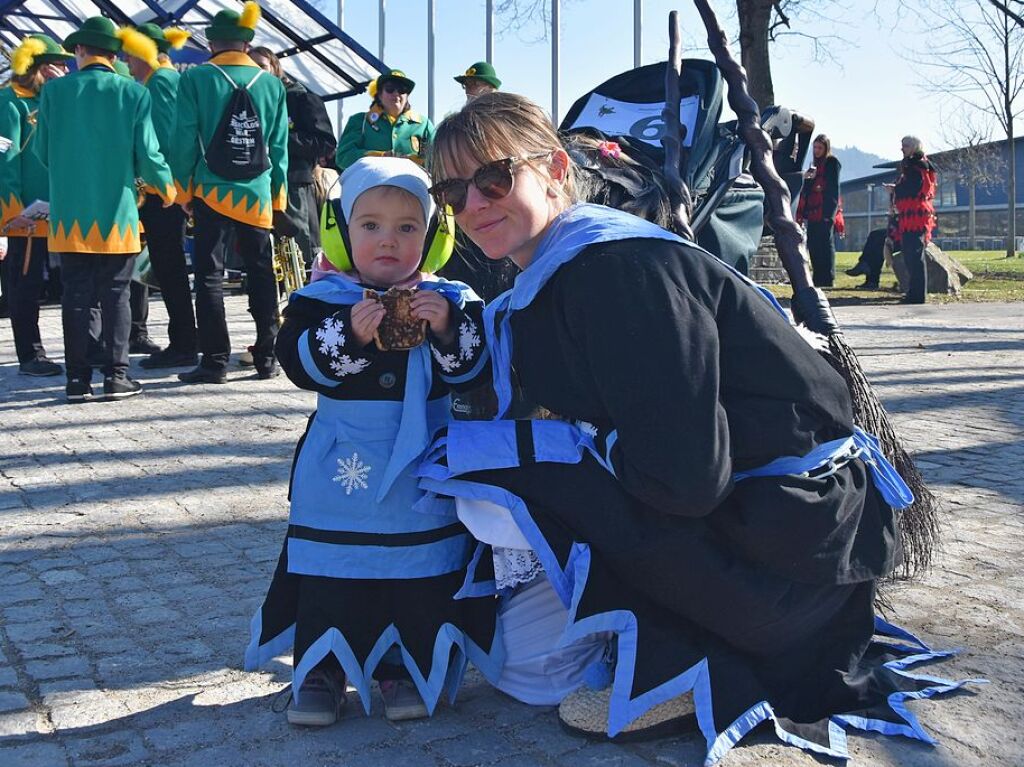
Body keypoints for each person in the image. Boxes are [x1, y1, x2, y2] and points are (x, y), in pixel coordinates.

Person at [420, 92, 971, 761]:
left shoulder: (615, 273)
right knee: (525, 667)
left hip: (783, 564)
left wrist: (558, 448)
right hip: (772, 537)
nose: (474, 205)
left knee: (495, 467)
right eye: (453, 191)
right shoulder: (560, 271)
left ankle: (685, 661)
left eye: (494, 178)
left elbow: (685, 476)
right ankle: (645, 631)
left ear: (556, 167)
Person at [245, 157, 500, 727]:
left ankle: (404, 664)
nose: (389, 240)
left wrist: (446, 330)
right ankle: (321, 668)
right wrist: (349, 334)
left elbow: (472, 371)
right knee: (336, 572)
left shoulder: (452, 299)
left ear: (433, 236)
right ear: (340, 230)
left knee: (416, 572)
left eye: (408, 227)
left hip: (421, 472)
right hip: (341, 472)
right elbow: (300, 365)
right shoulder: (322, 300)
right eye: (370, 226)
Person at [35, 17, 175, 402]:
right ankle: (117, 377)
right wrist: (166, 187)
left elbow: (41, 152)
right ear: (115, 55)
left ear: (80, 51)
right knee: (117, 295)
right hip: (118, 214)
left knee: (75, 295)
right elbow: (148, 154)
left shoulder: (54, 92)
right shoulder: (133, 92)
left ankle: (76, 381)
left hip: (69, 216)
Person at [170, 2, 289, 383]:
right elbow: (279, 146)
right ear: (246, 42)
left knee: (208, 275)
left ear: (212, 43)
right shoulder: (271, 84)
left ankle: (215, 360)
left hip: (210, 190)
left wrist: (183, 189)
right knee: (260, 274)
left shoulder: (196, 79)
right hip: (256, 193)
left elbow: (183, 139)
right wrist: (277, 195)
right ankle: (267, 356)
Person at [123, 23, 200, 369]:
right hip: (162, 191)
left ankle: (184, 342)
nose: (127, 62)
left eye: (130, 54)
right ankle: (184, 339)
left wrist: (158, 184)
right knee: (166, 270)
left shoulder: (163, 82)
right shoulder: (159, 81)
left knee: (170, 271)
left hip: (163, 194)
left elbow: (168, 142)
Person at [0, 34, 72, 377]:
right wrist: (12, 211)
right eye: (57, 64)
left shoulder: (56, 99)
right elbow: (5, 160)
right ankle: (30, 354)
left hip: (62, 208)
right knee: (25, 285)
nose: (64, 69)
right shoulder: (8, 102)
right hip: (26, 215)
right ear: (40, 67)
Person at [249, 46, 337, 266]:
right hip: (255, 186)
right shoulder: (246, 99)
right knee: (262, 257)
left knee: (301, 254)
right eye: (250, 67)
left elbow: (326, 143)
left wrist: (279, 138)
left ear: (275, 68)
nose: (256, 72)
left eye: (261, 66)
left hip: (293, 185)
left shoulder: (301, 98)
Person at [335, 70, 434, 172]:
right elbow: (343, 158)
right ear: (379, 94)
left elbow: (437, 158)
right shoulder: (360, 121)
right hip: (370, 184)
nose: (396, 93)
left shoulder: (423, 124)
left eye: (402, 89)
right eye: (390, 88)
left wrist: (414, 160)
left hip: (413, 185)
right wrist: (380, 156)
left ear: (407, 96)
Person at [888, 135, 936, 304]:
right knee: (911, 254)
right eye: (902, 145)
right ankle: (915, 293)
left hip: (915, 215)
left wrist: (896, 189)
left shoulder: (916, 165)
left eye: (906, 145)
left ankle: (917, 295)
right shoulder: (917, 164)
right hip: (911, 214)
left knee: (914, 255)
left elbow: (914, 188)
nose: (902, 148)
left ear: (915, 147)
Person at [795, 133, 841, 287]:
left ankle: (828, 277)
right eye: (815, 147)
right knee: (814, 244)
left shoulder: (831, 163)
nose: (816, 151)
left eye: (820, 148)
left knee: (825, 245)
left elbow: (833, 189)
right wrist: (808, 178)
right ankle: (818, 276)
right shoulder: (814, 165)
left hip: (825, 210)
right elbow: (807, 189)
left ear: (826, 148)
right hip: (813, 211)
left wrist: (830, 214)